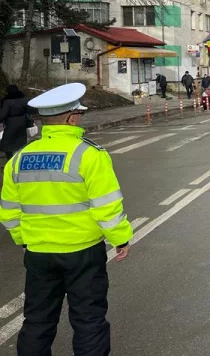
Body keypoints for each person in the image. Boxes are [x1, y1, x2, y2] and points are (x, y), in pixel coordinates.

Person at [0, 83, 132, 355]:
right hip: (82, 252)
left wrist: (25, 240)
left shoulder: (19, 158)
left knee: (37, 320)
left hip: (38, 253)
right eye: (79, 114)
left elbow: (9, 210)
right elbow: (106, 206)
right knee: (88, 320)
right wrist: (121, 239)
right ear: (72, 118)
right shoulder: (89, 154)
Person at [0, 85, 32, 159]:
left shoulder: (7, 101)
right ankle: (19, 157)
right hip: (23, 122)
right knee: (20, 140)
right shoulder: (24, 99)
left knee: (6, 142)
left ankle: (10, 159)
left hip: (11, 123)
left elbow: (3, 115)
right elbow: (31, 110)